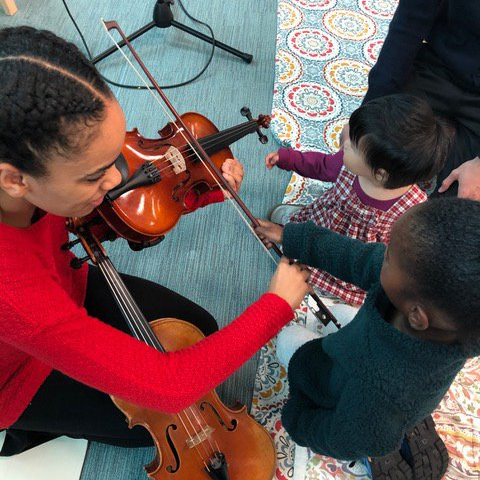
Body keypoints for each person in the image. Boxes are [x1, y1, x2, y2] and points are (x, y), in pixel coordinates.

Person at [0, 26, 310, 455]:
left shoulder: (33, 184)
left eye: (113, 160)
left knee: (199, 330)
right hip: (17, 371)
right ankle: (31, 422)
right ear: (14, 179)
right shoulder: (14, 292)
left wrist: (202, 189)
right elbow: (170, 388)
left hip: (65, 283)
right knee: (152, 419)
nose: (118, 179)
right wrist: (276, 306)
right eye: (94, 175)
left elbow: (105, 216)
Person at [254, 197, 480, 478]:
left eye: (388, 257)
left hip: (341, 388)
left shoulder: (384, 387)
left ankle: (381, 445)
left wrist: (296, 419)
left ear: (417, 316)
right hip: (362, 353)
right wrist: (291, 237)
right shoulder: (422, 298)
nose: (380, 254)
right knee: (339, 312)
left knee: (288, 338)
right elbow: (357, 257)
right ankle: (402, 424)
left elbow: (342, 438)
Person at [265, 94, 451, 305]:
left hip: (352, 257)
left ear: (380, 174)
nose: (345, 144)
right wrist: (289, 158)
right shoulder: (349, 164)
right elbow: (321, 166)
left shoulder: (413, 210)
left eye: (353, 145)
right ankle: (296, 228)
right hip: (323, 222)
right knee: (299, 232)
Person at [363, 0, 480, 200]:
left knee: (455, 196)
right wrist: (367, 113)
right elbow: (408, 25)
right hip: (437, 67)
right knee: (377, 159)